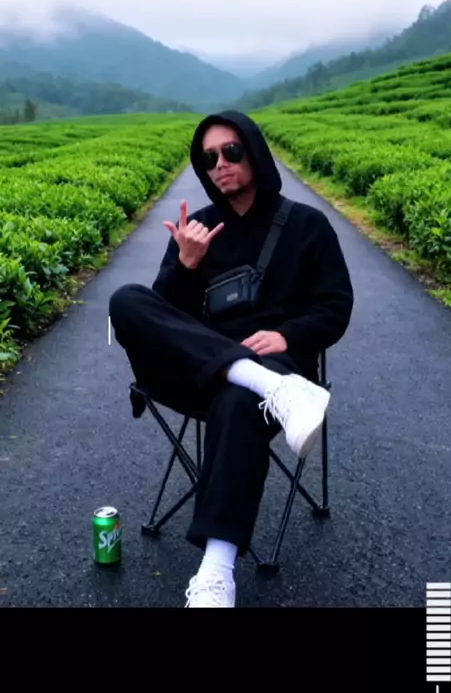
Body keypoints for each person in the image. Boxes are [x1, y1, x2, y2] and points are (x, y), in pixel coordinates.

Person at [109, 109, 354, 608]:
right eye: (209, 158)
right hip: (203, 371)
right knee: (126, 301)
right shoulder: (196, 229)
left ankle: (216, 573)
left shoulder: (307, 225)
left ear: (255, 152)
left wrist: (287, 335)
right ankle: (264, 384)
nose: (220, 164)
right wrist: (186, 265)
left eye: (231, 151)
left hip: (276, 367)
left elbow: (335, 307)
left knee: (239, 401)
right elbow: (164, 317)